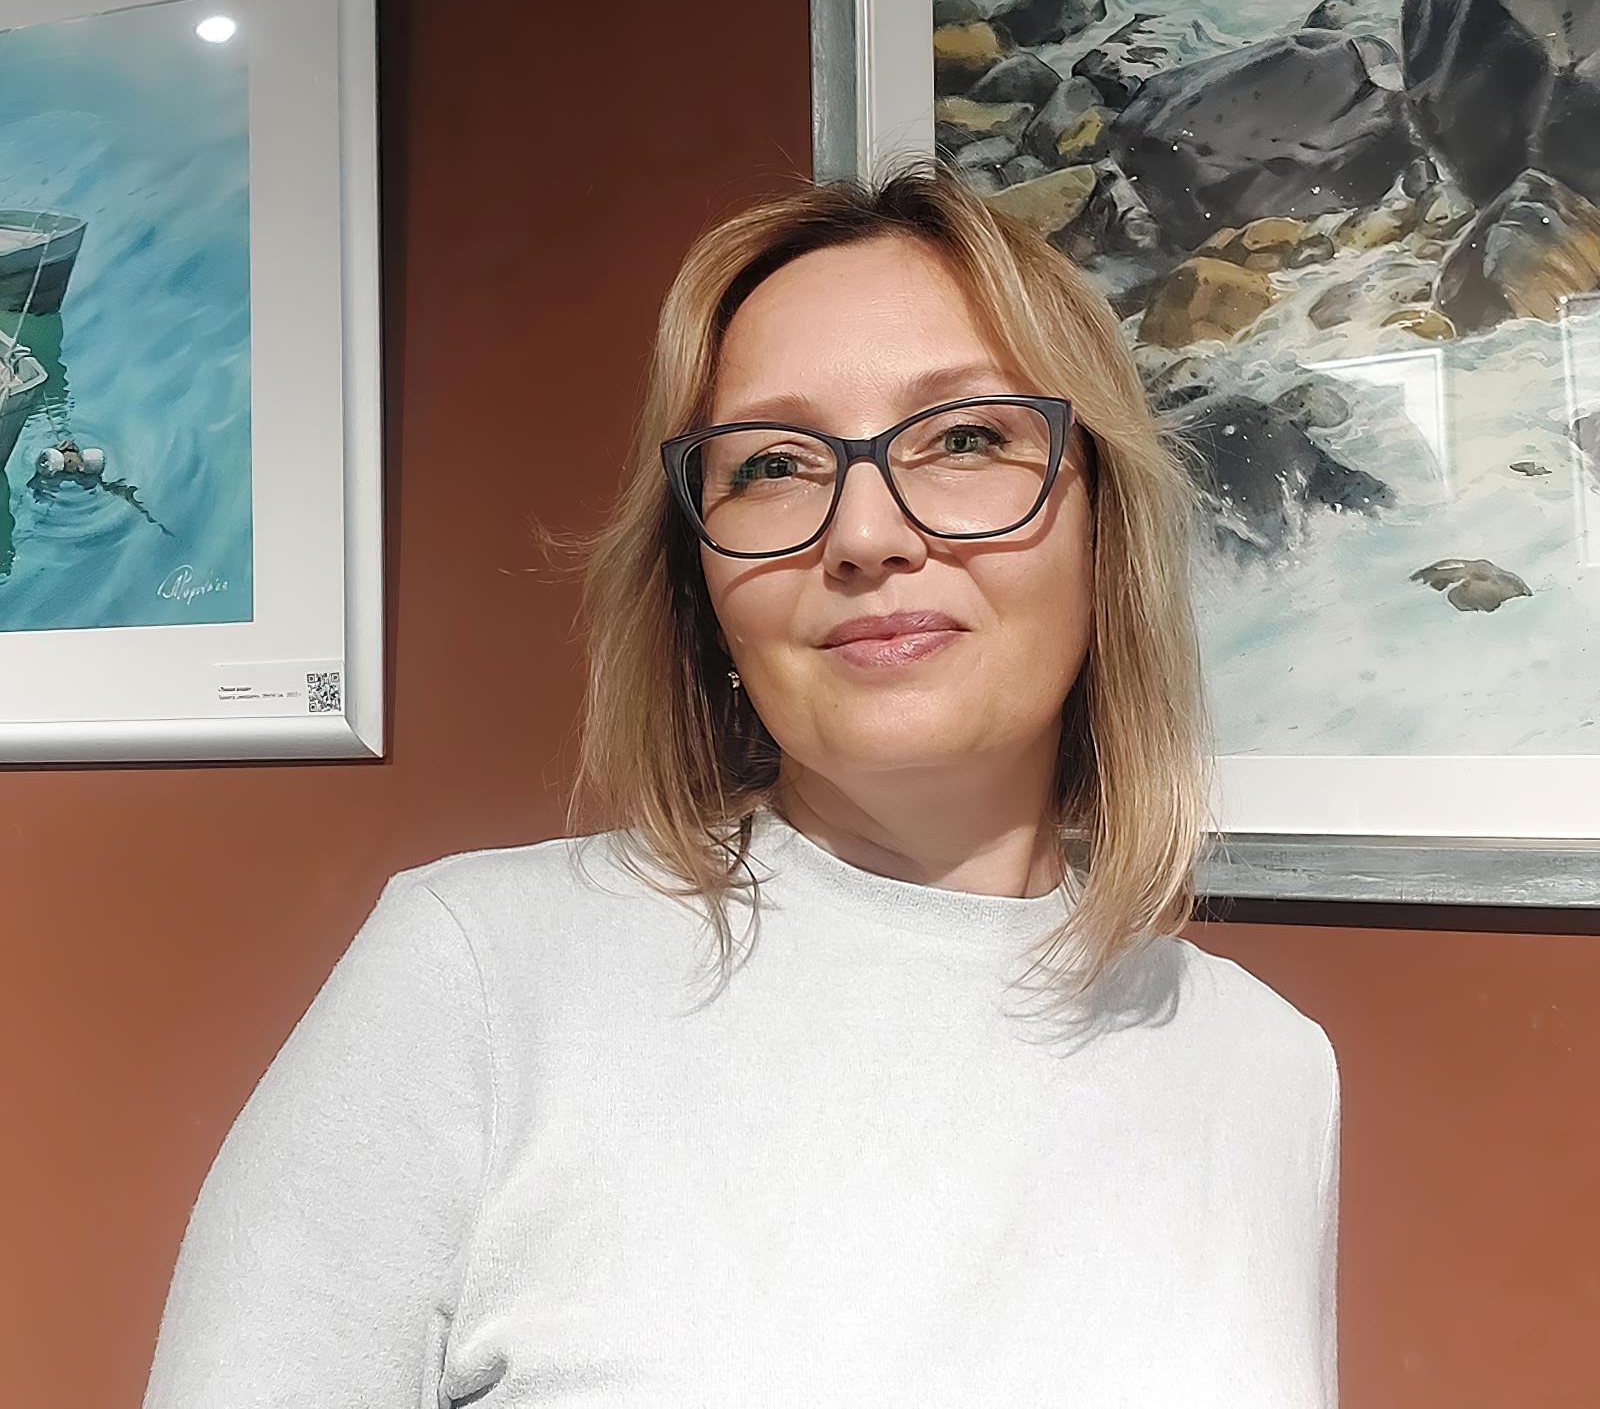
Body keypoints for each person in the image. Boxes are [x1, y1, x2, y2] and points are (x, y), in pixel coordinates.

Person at [141, 160, 1340, 1407]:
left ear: (1104, 523)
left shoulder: (1265, 1066)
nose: (865, 533)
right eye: (772, 463)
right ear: (702, 585)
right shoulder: (479, 981)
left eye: (966, 437)